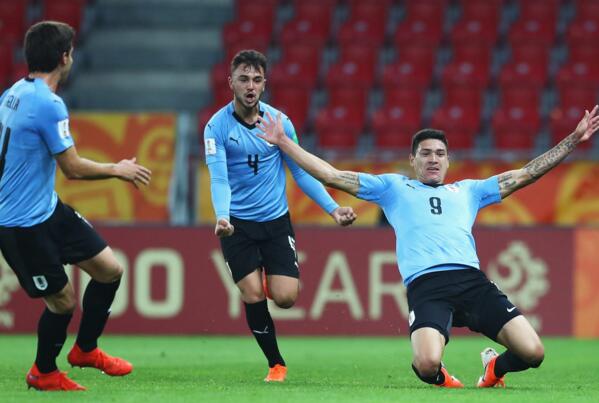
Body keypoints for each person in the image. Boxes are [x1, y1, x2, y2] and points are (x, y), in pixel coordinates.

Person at [256, 106, 599, 388]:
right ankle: (444, 379)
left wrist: (573, 140)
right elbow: (332, 175)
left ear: (448, 160)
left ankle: (494, 368)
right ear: (413, 159)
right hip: (427, 287)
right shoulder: (393, 188)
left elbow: (526, 174)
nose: (433, 159)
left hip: (472, 282)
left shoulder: (469, 190)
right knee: (426, 364)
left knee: (533, 353)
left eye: (440, 154)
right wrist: (284, 142)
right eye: (425, 154)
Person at [0, 21, 152, 391]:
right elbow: (72, 168)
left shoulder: (13, 92)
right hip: (21, 224)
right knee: (63, 302)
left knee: (109, 270)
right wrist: (117, 169)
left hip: (47, 209)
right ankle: (43, 371)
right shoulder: (48, 104)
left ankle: (85, 349)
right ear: (65, 57)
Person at [204, 49, 356, 382]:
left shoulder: (279, 123)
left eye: (257, 80)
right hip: (236, 226)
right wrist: (222, 216)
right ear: (230, 82)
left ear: (264, 84)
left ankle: (269, 277)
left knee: (286, 297)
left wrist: (333, 209)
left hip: (275, 222)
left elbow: (300, 173)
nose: (250, 86)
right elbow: (219, 178)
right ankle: (276, 364)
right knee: (252, 294)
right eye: (244, 79)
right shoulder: (216, 127)